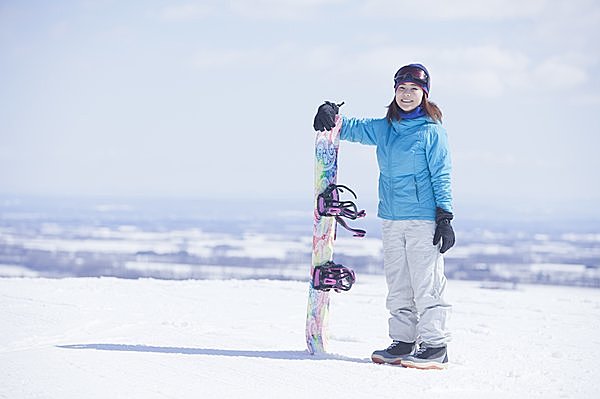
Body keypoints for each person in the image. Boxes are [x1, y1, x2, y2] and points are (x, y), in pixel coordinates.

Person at [312, 63, 455, 370]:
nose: (406, 95)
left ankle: (435, 345)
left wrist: (445, 216)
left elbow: (442, 175)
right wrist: (330, 112)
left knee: (426, 283)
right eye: (402, 89)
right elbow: (349, 127)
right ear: (394, 92)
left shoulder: (432, 132)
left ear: (424, 94)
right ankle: (404, 341)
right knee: (399, 283)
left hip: (423, 219)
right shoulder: (386, 128)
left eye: (414, 90)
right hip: (391, 217)